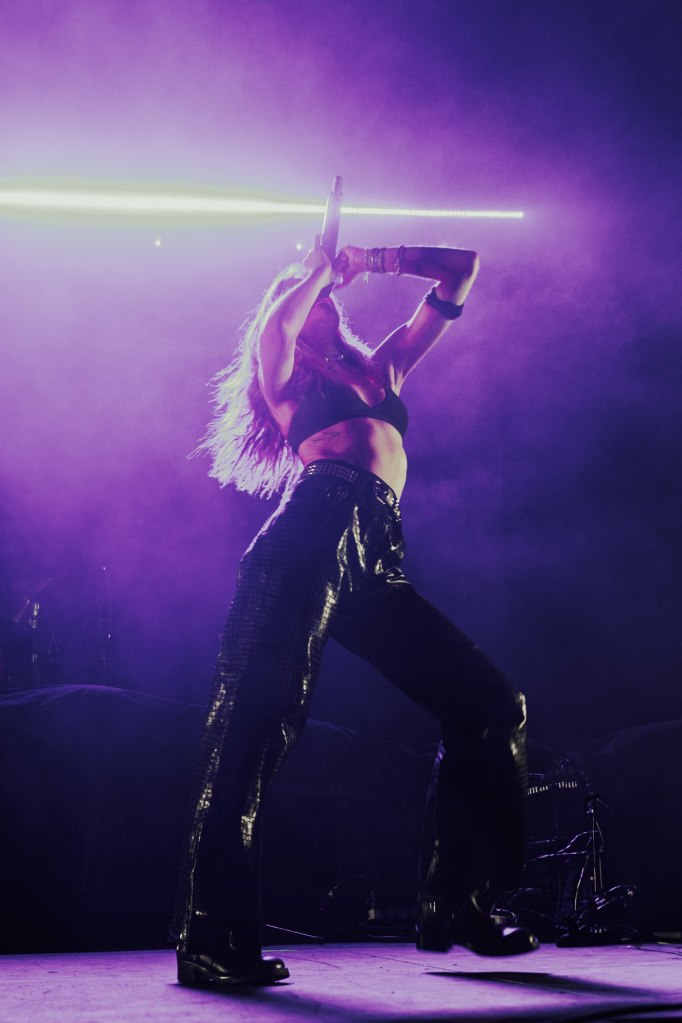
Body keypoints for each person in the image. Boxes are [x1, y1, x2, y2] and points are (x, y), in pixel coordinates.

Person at [173, 237, 539, 988]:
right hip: (311, 532)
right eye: (308, 296)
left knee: (490, 704)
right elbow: (278, 325)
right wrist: (314, 269)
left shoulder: (383, 370)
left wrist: (371, 259)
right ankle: (211, 938)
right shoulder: (285, 379)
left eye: (326, 297)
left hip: (378, 553)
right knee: (255, 726)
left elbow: (462, 269)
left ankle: (457, 903)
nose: (321, 303)